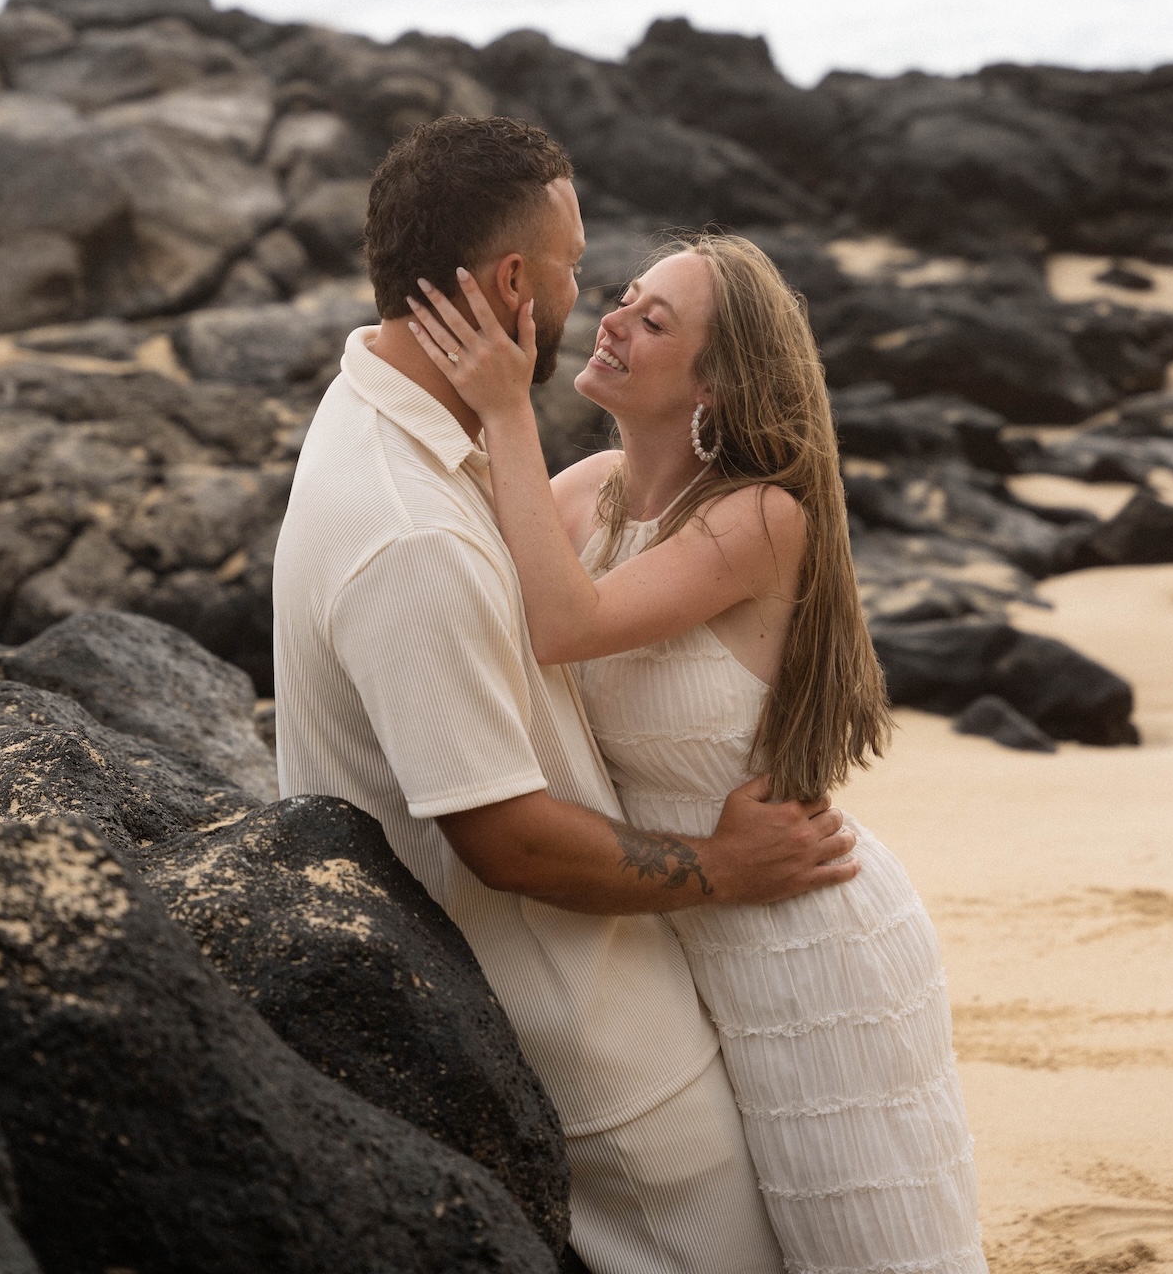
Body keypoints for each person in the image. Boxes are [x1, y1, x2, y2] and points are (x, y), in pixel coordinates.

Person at [272, 115, 862, 1274]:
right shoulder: (413, 531)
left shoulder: (383, 426)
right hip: (593, 1044)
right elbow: (504, 839)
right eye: (580, 269)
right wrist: (726, 871)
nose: (590, 297)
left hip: (663, 977)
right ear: (510, 282)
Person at [407, 229, 988, 1274]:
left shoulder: (759, 520)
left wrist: (504, 407)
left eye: (653, 318)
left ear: (715, 381)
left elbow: (561, 626)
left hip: (808, 939)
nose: (612, 319)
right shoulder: (583, 493)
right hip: (680, 922)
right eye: (620, 297)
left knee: (861, 1249)